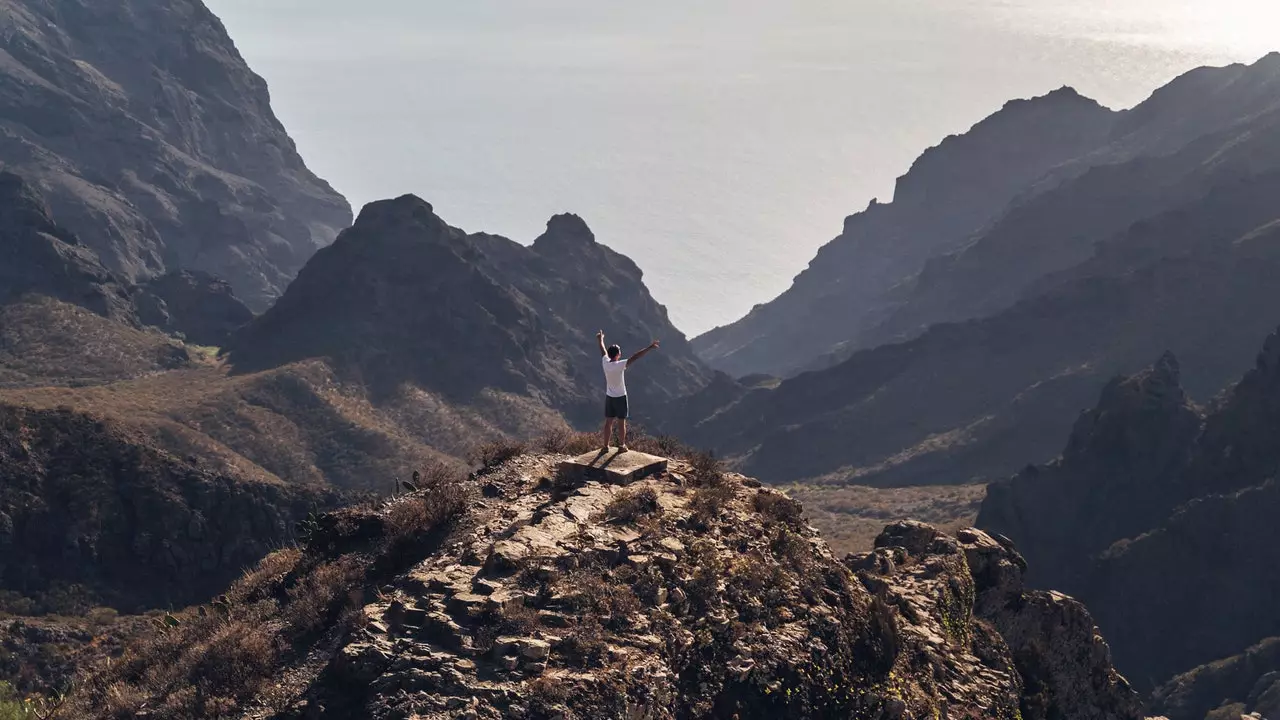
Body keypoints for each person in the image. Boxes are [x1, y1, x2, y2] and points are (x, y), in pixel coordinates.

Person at [597, 330, 659, 453]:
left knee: (608, 422)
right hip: (620, 397)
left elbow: (602, 350)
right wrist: (649, 347)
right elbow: (635, 356)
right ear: (618, 355)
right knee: (621, 422)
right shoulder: (620, 365)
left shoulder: (605, 363)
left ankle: (605, 446)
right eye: (620, 352)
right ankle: (621, 446)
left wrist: (600, 339)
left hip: (609, 397)